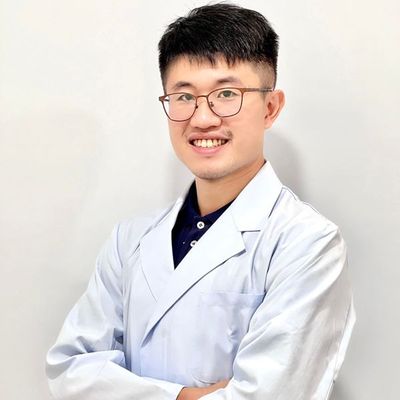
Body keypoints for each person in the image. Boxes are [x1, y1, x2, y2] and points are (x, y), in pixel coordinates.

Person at [46, 3, 355, 400]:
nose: (202, 118)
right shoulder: (129, 241)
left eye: (226, 94)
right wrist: (186, 396)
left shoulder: (307, 244)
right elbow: (69, 371)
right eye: (183, 96)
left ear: (270, 107)